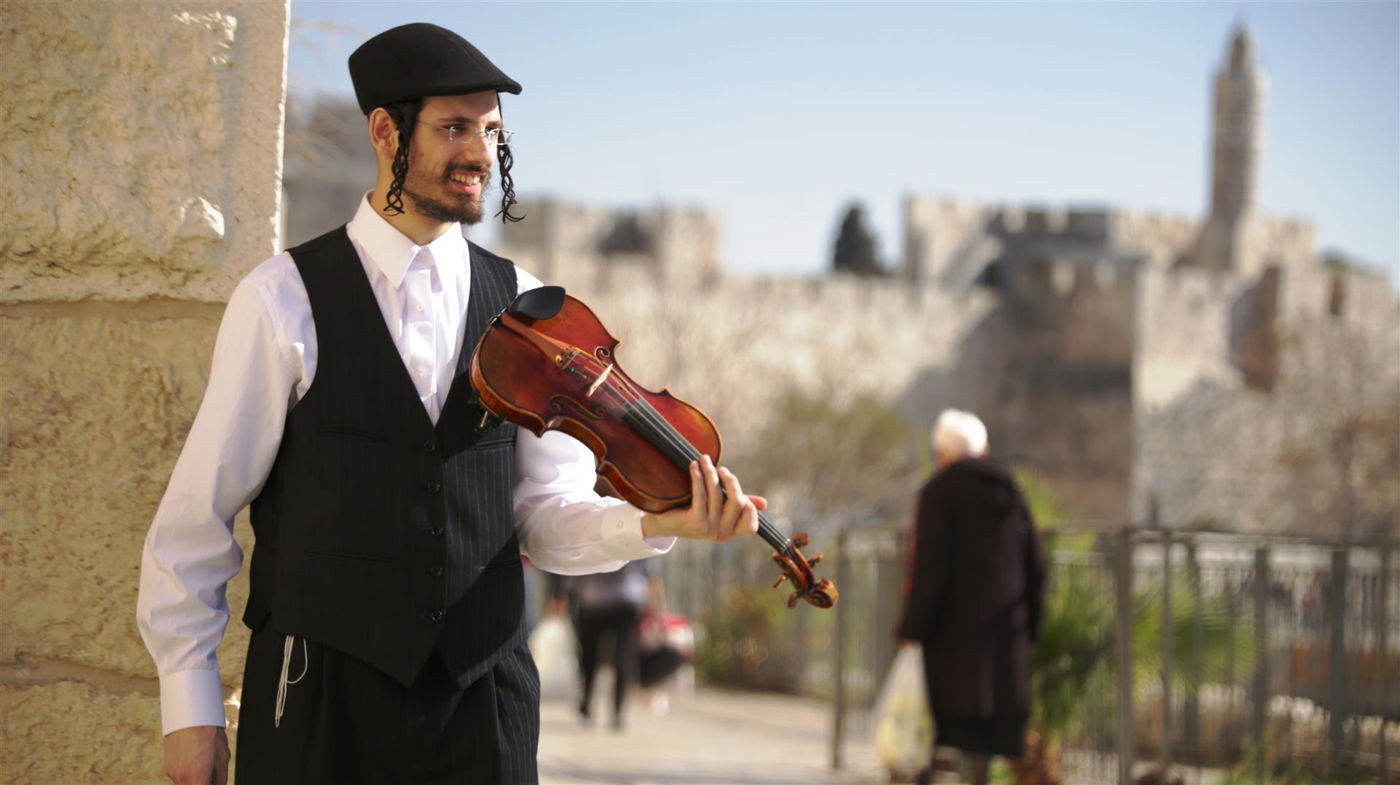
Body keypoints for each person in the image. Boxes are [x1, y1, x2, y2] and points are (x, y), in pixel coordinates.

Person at [136, 23, 763, 785]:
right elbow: (195, 519)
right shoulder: (281, 298)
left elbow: (544, 515)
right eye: (455, 127)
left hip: (483, 708)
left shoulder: (531, 309)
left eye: (491, 131)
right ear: (385, 132)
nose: (480, 153)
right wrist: (190, 707)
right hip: (318, 700)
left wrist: (656, 522)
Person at [896, 409, 1046, 785]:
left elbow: (930, 568)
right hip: (1005, 637)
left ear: (942, 453)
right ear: (985, 449)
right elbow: (1035, 566)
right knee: (988, 740)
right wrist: (1032, 629)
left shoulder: (938, 492)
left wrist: (912, 627)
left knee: (940, 730)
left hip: (952, 638)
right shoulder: (1011, 491)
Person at [563, 558, 661, 730]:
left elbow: (576, 563)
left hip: (593, 598)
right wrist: (657, 606)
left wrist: (570, 592)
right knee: (622, 657)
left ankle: (588, 702)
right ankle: (617, 710)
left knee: (590, 656)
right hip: (625, 597)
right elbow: (651, 571)